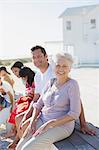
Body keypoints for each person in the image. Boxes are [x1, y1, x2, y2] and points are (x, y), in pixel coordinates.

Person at [16, 52, 81, 150]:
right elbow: (38, 105)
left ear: (70, 68)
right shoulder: (50, 82)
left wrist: (49, 124)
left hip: (61, 126)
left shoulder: (72, 85)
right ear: (54, 66)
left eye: (65, 66)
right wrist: (32, 122)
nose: (61, 69)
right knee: (19, 148)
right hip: (42, 120)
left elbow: (74, 114)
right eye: (58, 65)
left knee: (27, 149)